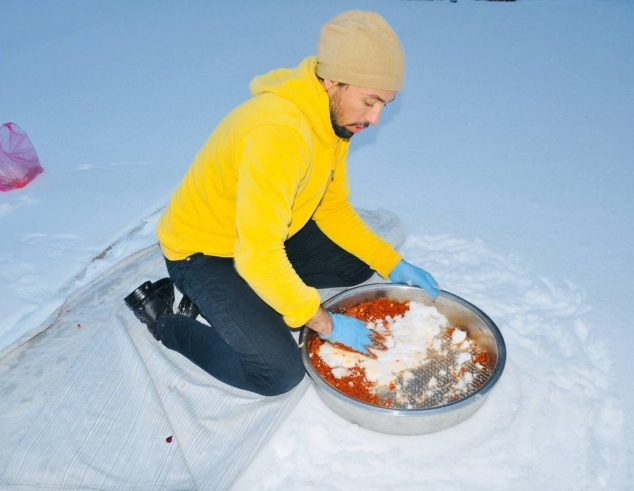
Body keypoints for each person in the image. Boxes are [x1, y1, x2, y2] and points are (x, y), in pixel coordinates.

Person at [124, 10, 439, 397]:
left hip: (264, 231)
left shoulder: (334, 117)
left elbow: (333, 208)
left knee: (358, 265)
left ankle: (253, 297)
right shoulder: (280, 133)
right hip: (203, 251)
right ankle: (164, 320)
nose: (374, 119)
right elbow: (258, 254)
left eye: (384, 106)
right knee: (278, 373)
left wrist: (392, 262)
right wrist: (326, 323)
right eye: (370, 102)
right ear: (332, 80)